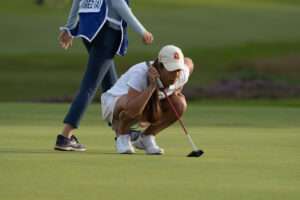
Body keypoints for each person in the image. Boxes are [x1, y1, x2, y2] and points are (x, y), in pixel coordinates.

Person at [54, 0, 154, 151]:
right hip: (106, 31)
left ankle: (121, 131)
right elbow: (118, 4)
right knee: (89, 85)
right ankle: (65, 136)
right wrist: (142, 31)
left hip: (88, 29)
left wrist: (70, 27)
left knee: (111, 85)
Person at [101, 45, 194, 154]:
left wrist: (177, 89)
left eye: (178, 70)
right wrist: (152, 86)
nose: (175, 74)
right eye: (171, 70)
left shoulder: (181, 74)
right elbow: (132, 108)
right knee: (134, 104)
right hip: (113, 104)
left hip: (147, 104)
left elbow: (189, 62)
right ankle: (122, 137)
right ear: (160, 67)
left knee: (179, 104)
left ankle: (146, 138)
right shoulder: (140, 73)